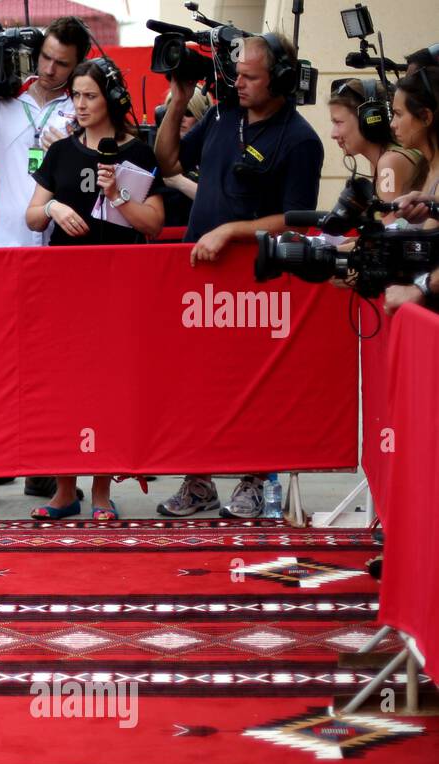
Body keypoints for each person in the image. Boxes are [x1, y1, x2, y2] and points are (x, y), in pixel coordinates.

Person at [153, 33, 324, 519]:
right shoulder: (222, 115)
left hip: (255, 282)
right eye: (236, 73)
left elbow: (298, 220)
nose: (238, 83)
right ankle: (198, 480)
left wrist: (231, 230)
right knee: (196, 383)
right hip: (198, 278)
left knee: (252, 384)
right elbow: (168, 161)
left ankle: (253, 479)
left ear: (283, 80)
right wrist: (179, 100)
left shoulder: (301, 140)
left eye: (250, 76)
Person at [0, 15, 88, 512]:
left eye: (63, 63)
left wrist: (70, 149)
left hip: (61, 254)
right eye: (47, 58)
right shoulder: (0, 99)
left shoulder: (81, 107)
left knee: (53, 368)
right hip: (2, 250)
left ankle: (46, 467)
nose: (51, 69)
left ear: (80, 65)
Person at [24, 58, 165, 520]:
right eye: (76, 96)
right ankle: (65, 491)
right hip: (66, 285)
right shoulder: (61, 152)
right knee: (65, 387)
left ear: (111, 100)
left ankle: (102, 491)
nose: (81, 105)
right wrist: (55, 209)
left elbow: (156, 224)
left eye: (90, 96)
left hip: (118, 285)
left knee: (108, 386)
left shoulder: (139, 153)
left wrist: (119, 194)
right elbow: (31, 214)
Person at [382, 67, 439, 314]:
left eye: (397, 114)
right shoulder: (425, 169)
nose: (392, 124)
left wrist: (421, 288)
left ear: (426, 117)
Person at [328, 78, 421, 203]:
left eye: (338, 122)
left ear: (368, 119)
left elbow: (387, 222)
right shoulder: (380, 159)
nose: (333, 134)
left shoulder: (389, 162)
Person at [158, 85, 212, 227]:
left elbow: (220, 204)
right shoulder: (156, 154)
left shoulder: (214, 153)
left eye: (187, 112)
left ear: (203, 117)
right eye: (173, 111)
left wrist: (178, 182)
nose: (180, 118)